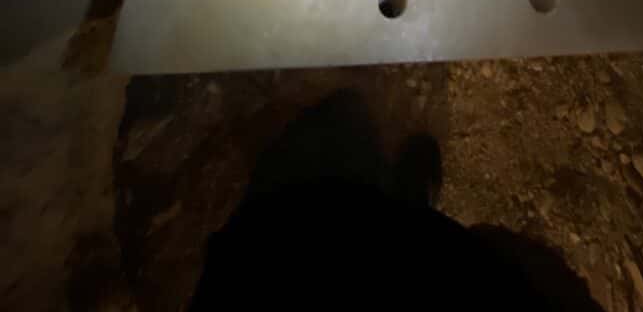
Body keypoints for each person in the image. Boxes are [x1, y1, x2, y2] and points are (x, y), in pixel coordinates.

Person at [190, 91, 602, 308]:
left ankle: (376, 196)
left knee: (342, 130)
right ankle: (406, 207)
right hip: (462, 280)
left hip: (283, 258)